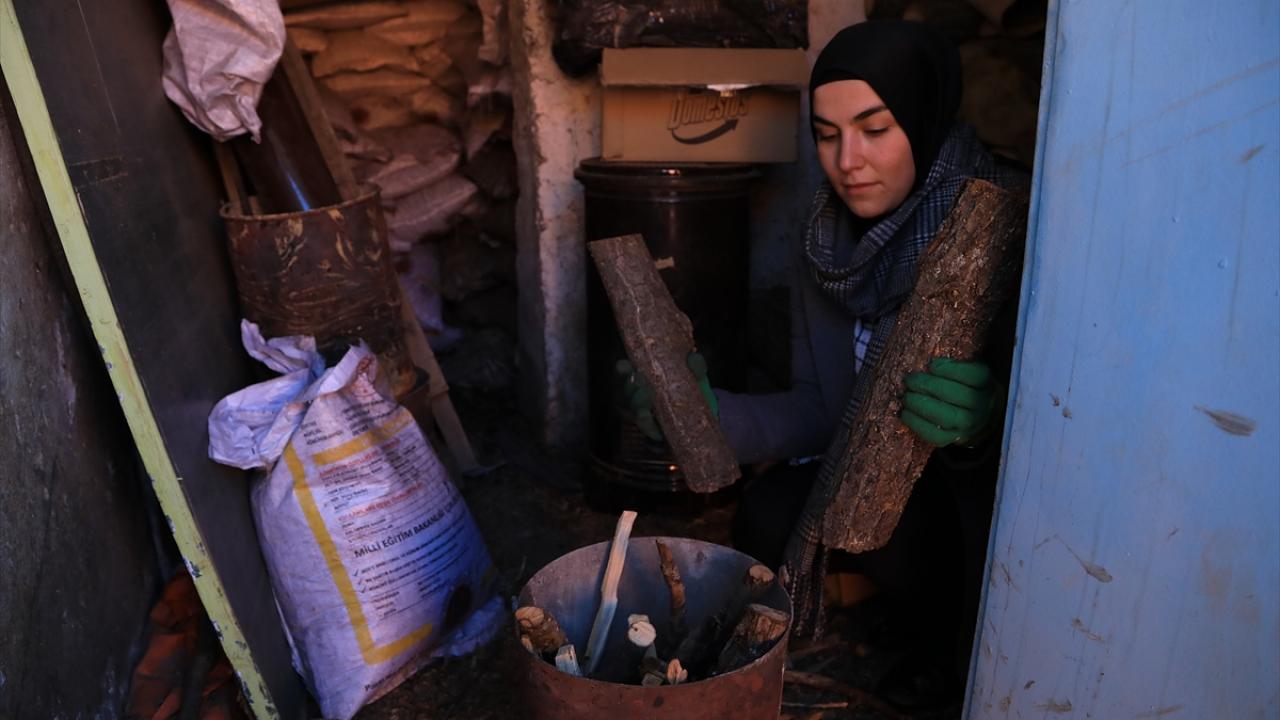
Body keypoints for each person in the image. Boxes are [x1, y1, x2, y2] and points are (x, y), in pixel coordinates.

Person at [623, 18, 1029, 708]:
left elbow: (1076, 433)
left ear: (924, 119)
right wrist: (710, 415)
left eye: (875, 129)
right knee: (766, 516)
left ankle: (945, 646)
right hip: (869, 473)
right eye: (826, 133)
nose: (848, 161)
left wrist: (988, 427)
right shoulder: (827, 242)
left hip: (970, 505)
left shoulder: (1006, 224)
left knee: (908, 542)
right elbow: (820, 409)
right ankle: (879, 595)